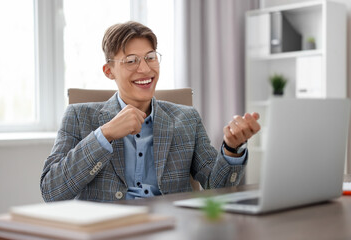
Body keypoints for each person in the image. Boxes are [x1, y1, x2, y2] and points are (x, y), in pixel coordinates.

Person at [40, 21, 260, 202]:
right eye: (131, 61)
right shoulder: (79, 116)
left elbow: (218, 187)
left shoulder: (187, 118)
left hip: (171, 229)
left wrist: (232, 149)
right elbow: (52, 191)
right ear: (109, 71)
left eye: (151, 57)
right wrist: (104, 135)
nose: (144, 69)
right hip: (108, 230)